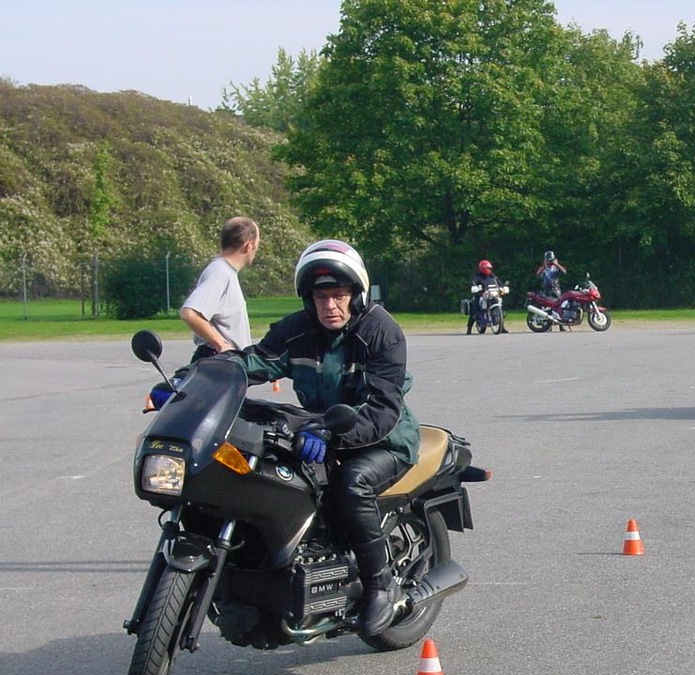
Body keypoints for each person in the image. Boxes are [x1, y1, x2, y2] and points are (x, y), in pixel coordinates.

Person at [228, 239, 421, 636]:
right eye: (320, 297)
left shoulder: (380, 331)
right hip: (319, 429)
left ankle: (380, 585)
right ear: (308, 299)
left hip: (384, 440)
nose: (330, 306)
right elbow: (255, 360)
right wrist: (196, 379)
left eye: (339, 295)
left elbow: (383, 408)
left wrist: (332, 437)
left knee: (350, 486)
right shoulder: (297, 331)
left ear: (356, 294)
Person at [179, 217, 259, 361]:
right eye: (257, 245)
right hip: (217, 363)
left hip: (227, 363)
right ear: (249, 245)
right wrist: (221, 344)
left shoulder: (226, 272)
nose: (256, 250)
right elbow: (190, 313)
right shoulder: (219, 272)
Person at [467, 259, 508, 334]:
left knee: (499, 307)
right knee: (475, 309)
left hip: (493, 295)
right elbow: (473, 282)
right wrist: (474, 287)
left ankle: (502, 327)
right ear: (482, 268)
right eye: (488, 268)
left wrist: (503, 287)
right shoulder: (477, 276)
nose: (489, 270)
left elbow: (499, 283)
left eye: (490, 268)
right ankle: (469, 329)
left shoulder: (492, 276)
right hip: (481, 295)